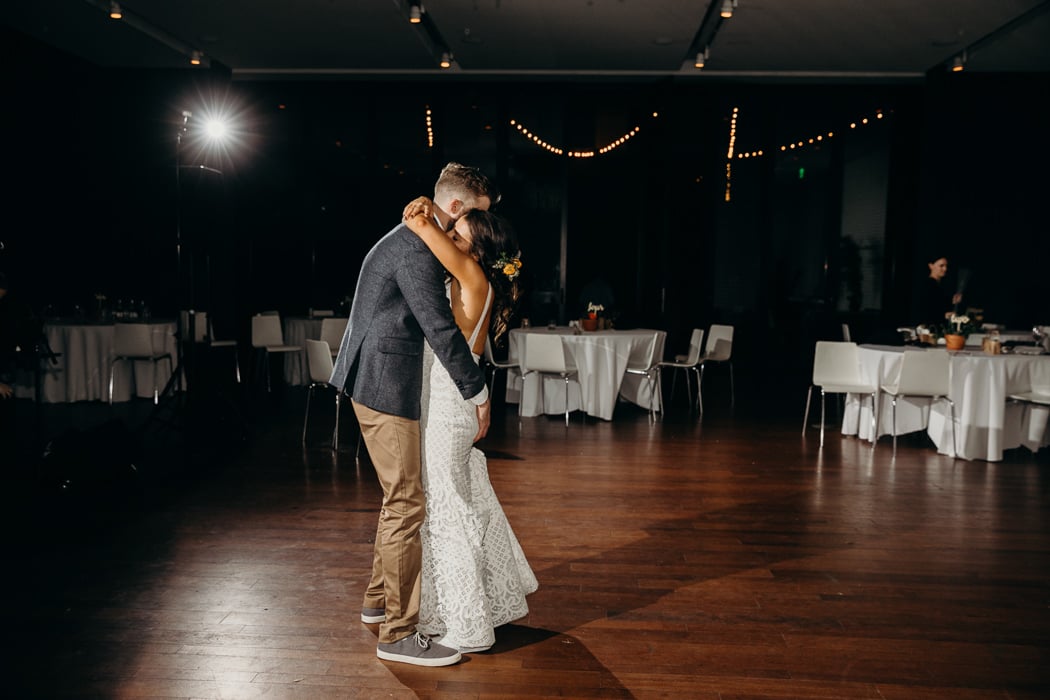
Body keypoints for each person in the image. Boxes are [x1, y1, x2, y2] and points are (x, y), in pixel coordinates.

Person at [329, 163, 497, 667]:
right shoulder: (416, 249)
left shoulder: (414, 237)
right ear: (455, 208)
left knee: (397, 499)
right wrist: (478, 392)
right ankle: (399, 634)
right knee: (407, 504)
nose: (478, 227)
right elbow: (440, 329)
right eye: (476, 216)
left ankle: (378, 601)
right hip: (384, 385)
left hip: (378, 381)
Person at [402, 196, 537, 653]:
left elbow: (421, 226)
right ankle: (468, 606)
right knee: (457, 504)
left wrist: (427, 209)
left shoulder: (472, 276)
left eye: (458, 236)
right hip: (453, 402)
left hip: (447, 404)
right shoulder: (473, 280)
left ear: (477, 251)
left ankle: (468, 625)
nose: (450, 239)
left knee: (447, 513)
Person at [916, 254, 962, 328]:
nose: (945, 269)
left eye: (946, 266)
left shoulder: (940, 285)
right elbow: (924, 311)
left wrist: (952, 301)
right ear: (931, 266)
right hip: (929, 328)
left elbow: (939, 304)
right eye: (941, 266)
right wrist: (943, 315)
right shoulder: (927, 285)